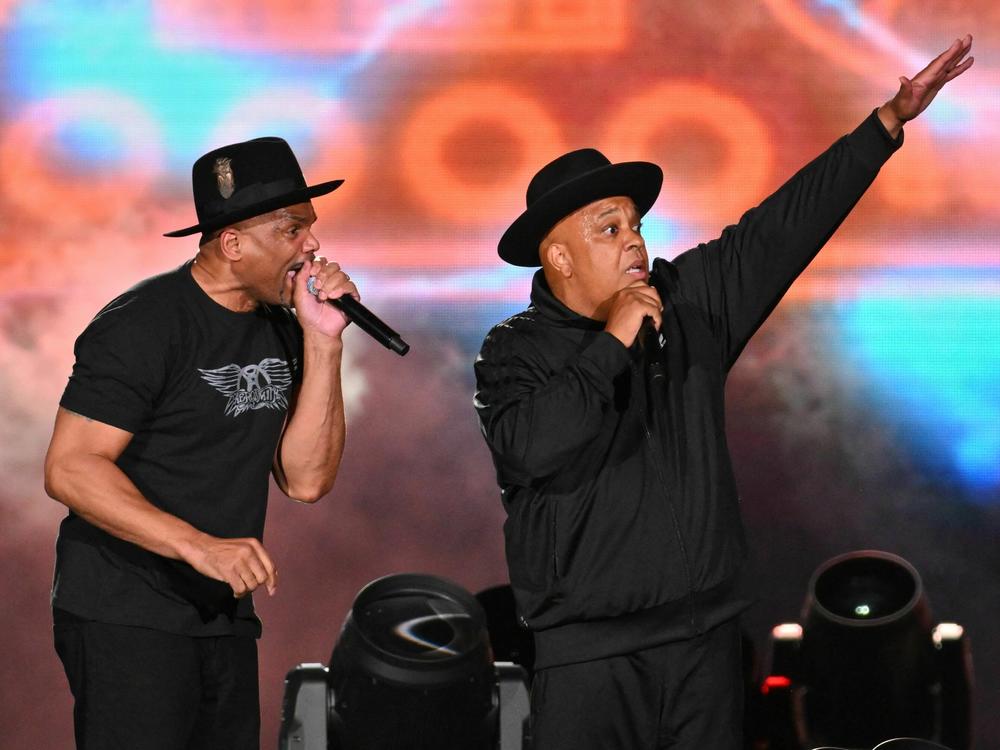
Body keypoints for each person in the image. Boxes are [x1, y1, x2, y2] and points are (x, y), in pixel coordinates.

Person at [474, 37, 973, 750]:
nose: (635, 243)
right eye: (610, 229)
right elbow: (532, 448)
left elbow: (780, 230)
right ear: (558, 256)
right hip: (589, 662)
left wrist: (887, 123)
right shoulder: (513, 350)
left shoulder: (686, 303)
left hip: (703, 648)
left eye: (637, 225)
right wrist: (613, 341)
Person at [44, 136, 357, 749]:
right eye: (292, 230)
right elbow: (71, 468)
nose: (312, 246)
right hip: (125, 612)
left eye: (311, 229)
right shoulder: (144, 324)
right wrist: (199, 546)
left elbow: (307, 480)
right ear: (234, 243)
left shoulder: (283, 328)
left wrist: (324, 343)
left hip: (222, 618)